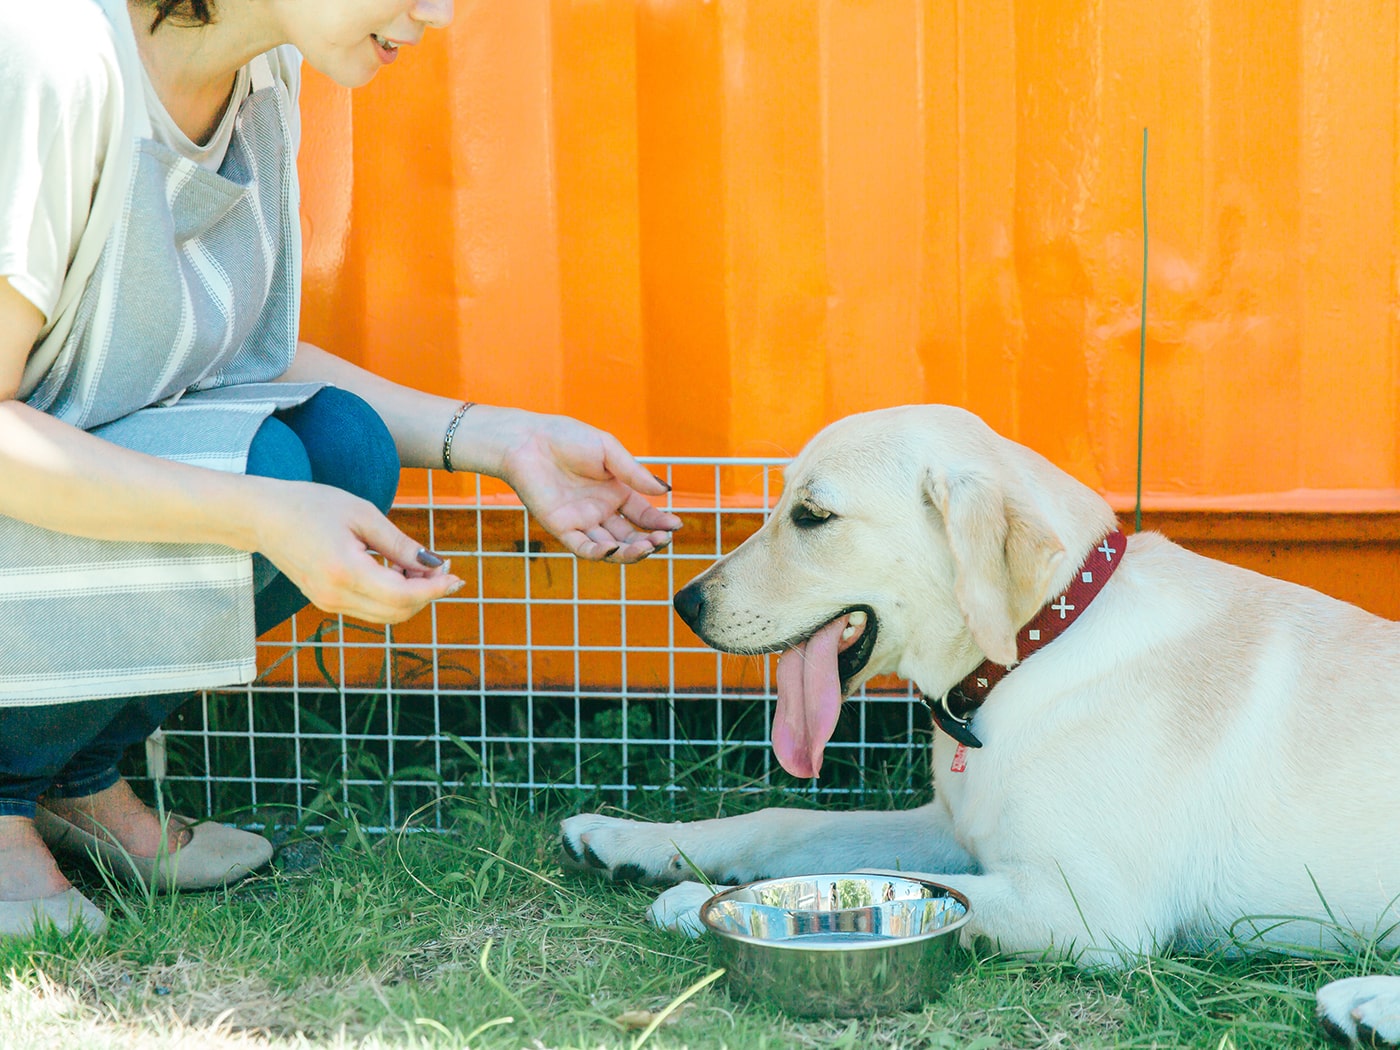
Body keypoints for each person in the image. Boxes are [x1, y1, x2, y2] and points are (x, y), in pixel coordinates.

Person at [0, 0, 681, 938]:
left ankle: (70, 779)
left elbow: (242, 359)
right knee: (276, 476)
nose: (435, 15)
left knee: (339, 448)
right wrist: (264, 515)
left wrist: (502, 442)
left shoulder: (265, 77)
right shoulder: (47, 57)